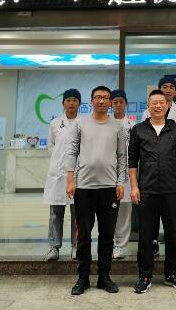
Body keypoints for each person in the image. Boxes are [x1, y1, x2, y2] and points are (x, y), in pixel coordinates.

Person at [66, 85, 127, 295]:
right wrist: (70, 180)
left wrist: (120, 182)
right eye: (98, 97)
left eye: (105, 98)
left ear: (110, 102)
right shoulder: (80, 123)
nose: (101, 101)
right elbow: (72, 152)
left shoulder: (118, 126)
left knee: (107, 235)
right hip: (84, 187)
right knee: (83, 235)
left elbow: (122, 156)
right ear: (91, 100)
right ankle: (83, 277)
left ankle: (104, 277)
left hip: (109, 188)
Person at [129, 89, 176, 293]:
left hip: (171, 190)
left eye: (161, 102)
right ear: (148, 106)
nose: (157, 106)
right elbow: (132, 160)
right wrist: (134, 186)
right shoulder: (138, 130)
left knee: (173, 234)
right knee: (146, 236)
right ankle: (145, 275)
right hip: (146, 190)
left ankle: (172, 273)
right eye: (154, 102)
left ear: (167, 105)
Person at [142, 76, 176, 255]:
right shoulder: (146, 113)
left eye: (171, 87)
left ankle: (174, 243)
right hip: (150, 173)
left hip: (171, 172)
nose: (168, 89)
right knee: (152, 214)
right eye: (165, 86)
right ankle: (153, 241)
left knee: (172, 214)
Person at [42, 89, 80, 261]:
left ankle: (76, 247)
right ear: (63, 103)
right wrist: (59, 163)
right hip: (58, 176)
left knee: (78, 214)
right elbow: (51, 147)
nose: (71, 103)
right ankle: (54, 247)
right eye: (68, 100)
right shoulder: (55, 123)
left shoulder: (83, 123)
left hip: (78, 175)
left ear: (79, 103)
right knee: (55, 214)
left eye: (75, 100)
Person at [111, 89, 136, 260]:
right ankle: (109, 242)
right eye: (115, 102)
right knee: (108, 209)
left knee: (125, 210)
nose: (118, 105)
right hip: (108, 172)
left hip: (127, 173)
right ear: (111, 104)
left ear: (126, 103)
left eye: (121, 101)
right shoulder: (106, 123)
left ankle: (120, 245)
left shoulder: (133, 125)